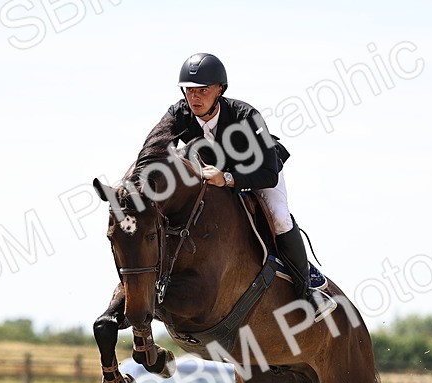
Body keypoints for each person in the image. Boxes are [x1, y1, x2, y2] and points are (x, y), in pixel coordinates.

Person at [141, 52, 336, 322]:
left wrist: (229, 179)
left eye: (203, 90)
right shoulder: (180, 112)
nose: (194, 97)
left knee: (279, 217)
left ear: (220, 89)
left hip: (257, 171)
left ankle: (307, 294)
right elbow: (152, 148)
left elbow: (267, 172)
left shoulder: (246, 115)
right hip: (212, 171)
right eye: (189, 90)